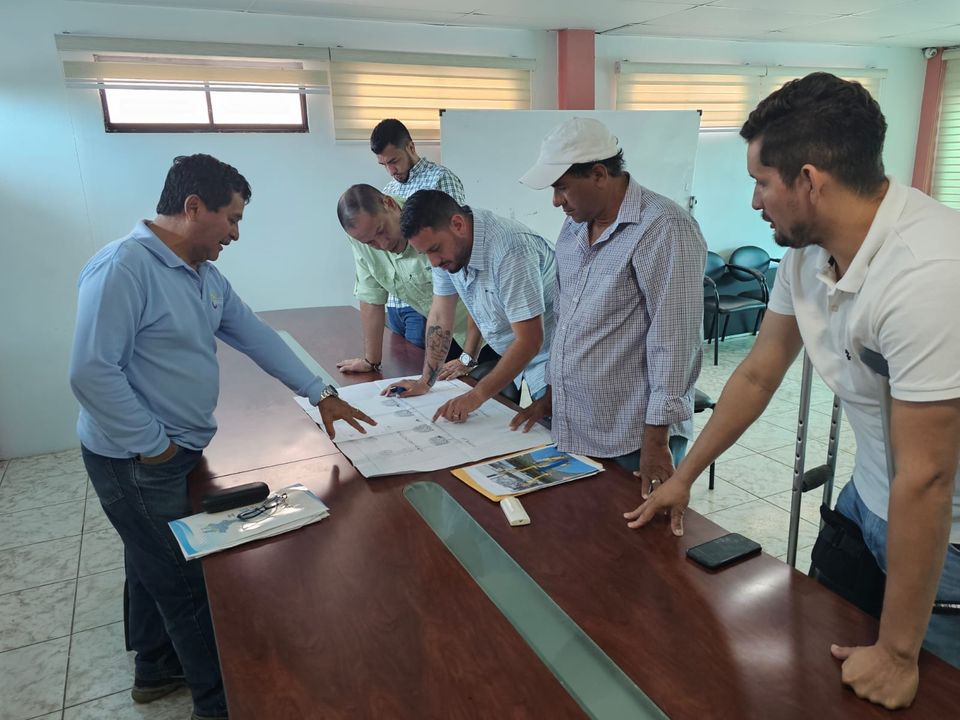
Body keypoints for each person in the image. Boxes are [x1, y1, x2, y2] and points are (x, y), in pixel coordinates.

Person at [624, 73, 960, 710]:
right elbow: (759, 372)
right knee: (822, 663)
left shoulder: (929, 274)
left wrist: (897, 654)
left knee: (924, 696)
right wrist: (684, 476)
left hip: (944, 535)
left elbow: (928, 479)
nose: (754, 201)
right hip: (870, 498)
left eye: (761, 182)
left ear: (809, 180)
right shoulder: (809, 253)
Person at [68, 154, 375, 720]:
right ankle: (217, 705)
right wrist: (154, 444)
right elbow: (91, 372)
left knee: (150, 558)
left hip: (175, 450)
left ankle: (155, 667)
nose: (235, 234)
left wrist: (320, 392)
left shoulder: (203, 275)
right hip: (136, 459)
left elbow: (255, 335)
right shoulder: (123, 268)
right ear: (193, 208)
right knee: (184, 581)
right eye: (231, 219)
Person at [510, 117, 706, 481]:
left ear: (599, 174)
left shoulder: (664, 227)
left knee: (633, 519)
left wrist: (656, 441)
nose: (555, 201)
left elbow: (676, 341)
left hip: (632, 434)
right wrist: (552, 394)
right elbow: (566, 318)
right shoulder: (575, 224)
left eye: (562, 188)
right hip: (576, 421)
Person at [384, 189, 556, 424]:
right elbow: (440, 315)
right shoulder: (449, 250)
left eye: (434, 249)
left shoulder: (510, 250)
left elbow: (530, 340)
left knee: (561, 433)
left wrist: (476, 396)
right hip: (521, 356)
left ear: (457, 224)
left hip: (557, 359)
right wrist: (425, 381)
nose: (434, 262)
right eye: (425, 254)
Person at [334, 184, 492, 378]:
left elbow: (477, 294)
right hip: (446, 337)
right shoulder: (361, 235)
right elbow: (371, 295)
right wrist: (371, 361)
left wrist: (468, 357)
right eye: (370, 242)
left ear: (389, 204)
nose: (383, 244)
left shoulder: (428, 220)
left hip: (487, 335)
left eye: (382, 230)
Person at [370, 118, 467, 351]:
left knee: (421, 366)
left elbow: (454, 239)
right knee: (398, 364)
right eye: (383, 165)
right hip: (395, 302)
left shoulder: (441, 179)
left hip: (427, 301)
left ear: (411, 147)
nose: (391, 170)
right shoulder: (388, 191)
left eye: (394, 161)